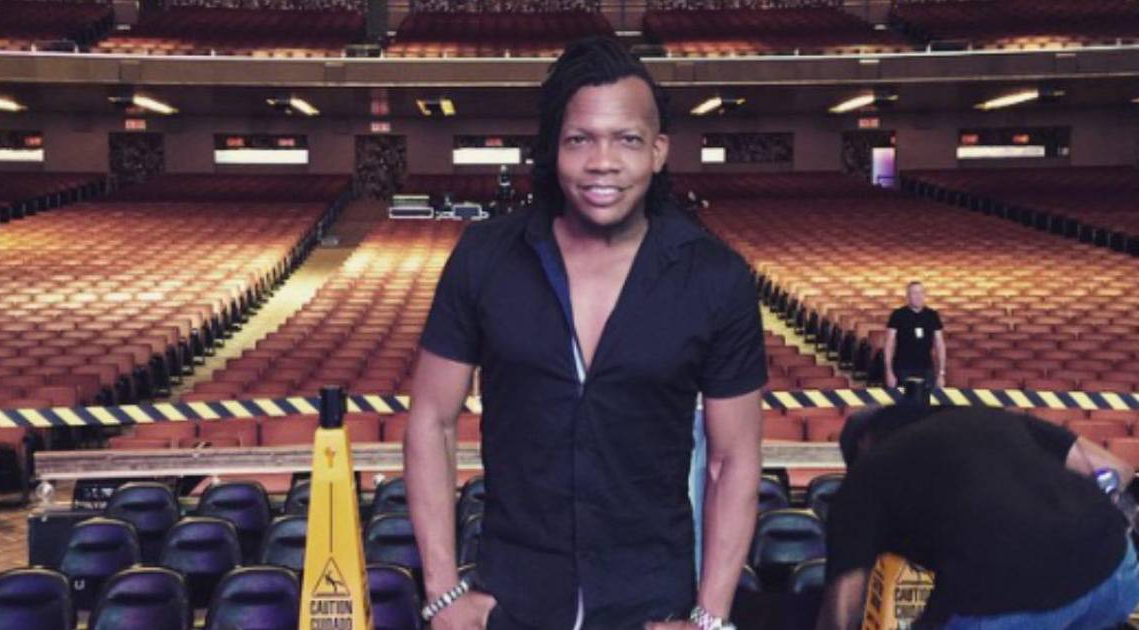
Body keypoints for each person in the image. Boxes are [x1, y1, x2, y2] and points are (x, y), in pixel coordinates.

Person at [405, 36, 768, 630]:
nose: (603, 162)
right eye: (580, 140)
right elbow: (431, 420)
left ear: (658, 151)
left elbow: (732, 459)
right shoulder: (484, 257)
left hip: (652, 603)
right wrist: (442, 593)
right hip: (513, 599)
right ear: (554, 149)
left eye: (627, 139)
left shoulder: (716, 278)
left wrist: (710, 618)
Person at [816, 404, 1139, 630]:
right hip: (1117, 570)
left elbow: (842, 614)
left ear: (863, 444)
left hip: (1009, 594)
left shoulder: (864, 479)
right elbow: (1116, 470)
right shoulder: (991, 417)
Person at [883, 281, 946, 390]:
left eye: (921, 292)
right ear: (908, 296)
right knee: (903, 401)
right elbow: (889, 344)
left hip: (926, 369)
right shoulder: (898, 315)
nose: (918, 296)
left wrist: (941, 373)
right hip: (902, 369)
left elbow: (940, 345)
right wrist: (889, 371)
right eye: (914, 293)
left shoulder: (932, 315)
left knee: (926, 400)